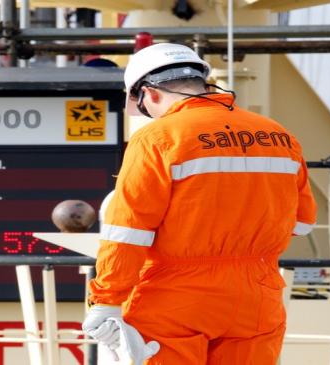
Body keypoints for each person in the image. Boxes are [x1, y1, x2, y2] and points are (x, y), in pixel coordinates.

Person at [82, 43, 317, 364]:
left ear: (149, 95)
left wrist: (106, 300)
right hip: (258, 297)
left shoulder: (158, 138)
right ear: (204, 84)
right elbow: (302, 223)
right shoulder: (277, 135)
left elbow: (128, 230)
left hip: (175, 297)